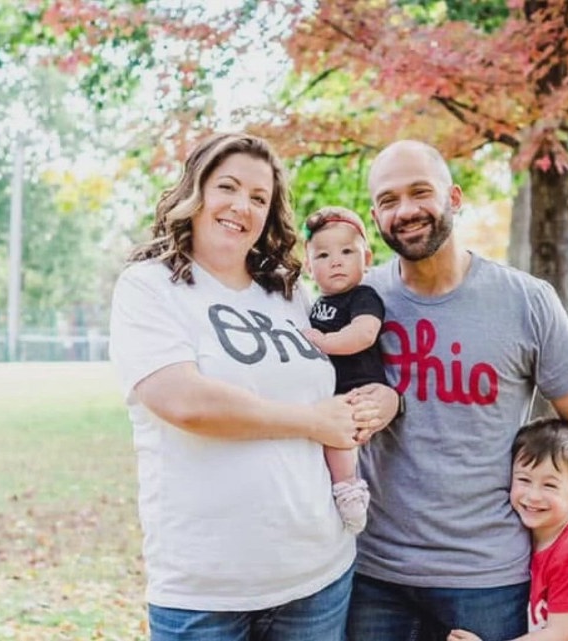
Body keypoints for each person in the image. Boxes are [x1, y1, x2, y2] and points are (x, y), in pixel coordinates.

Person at [346, 140, 568, 640]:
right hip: (376, 574)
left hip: (487, 578)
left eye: (420, 192)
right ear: (375, 216)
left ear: (454, 199)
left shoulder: (526, 301)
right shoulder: (358, 304)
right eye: (389, 200)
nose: (406, 210)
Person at [108, 132, 386, 641]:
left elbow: (342, 376)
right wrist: (311, 421)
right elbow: (184, 401)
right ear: (196, 192)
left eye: (259, 198)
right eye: (228, 187)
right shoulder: (148, 287)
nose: (242, 206)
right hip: (207, 593)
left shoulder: (289, 293)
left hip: (318, 576)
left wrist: (381, 399)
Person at [448, 418, 568, 641]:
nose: (533, 495)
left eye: (549, 485)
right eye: (524, 479)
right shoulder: (523, 537)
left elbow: (558, 634)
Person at [301, 206, 388, 534]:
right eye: (322, 255)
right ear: (309, 266)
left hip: (358, 388)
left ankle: (349, 489)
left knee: (339, 438)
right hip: (328, 391)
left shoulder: (363, 296)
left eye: (347, 251)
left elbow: (364, 334)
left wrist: (324, 342)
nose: (335, 261)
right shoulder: (314, 304)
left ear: (366, 259)